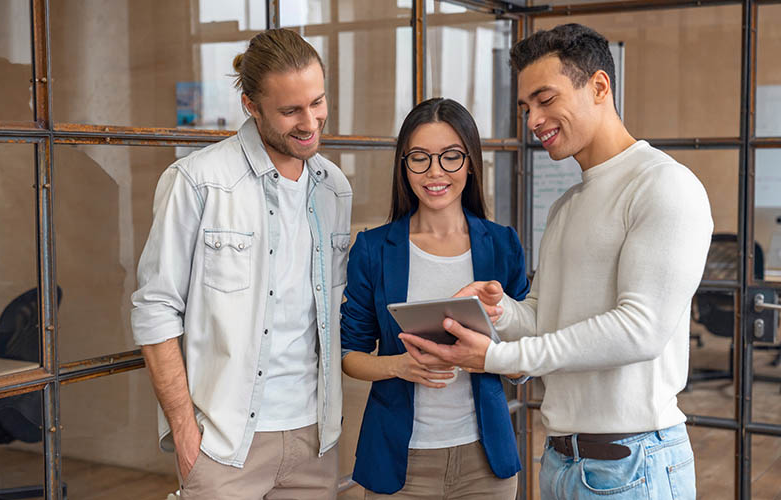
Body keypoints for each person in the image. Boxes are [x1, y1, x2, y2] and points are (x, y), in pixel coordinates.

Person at [399, 24, 712, 500]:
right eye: (525, 107)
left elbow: (640, 329)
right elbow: (545, 317)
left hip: (634, 464)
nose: (533, 120)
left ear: (600, 86)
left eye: (545, 99)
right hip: (562, 460)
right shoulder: (566, 205)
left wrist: (497, 356)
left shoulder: (664, 186)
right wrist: (503, 309)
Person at [131, 29, 352, 499]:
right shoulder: (198, 181)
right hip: (225, 446)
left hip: (315, 439)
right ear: (251, 106)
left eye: (318, 101)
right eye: (291, 110)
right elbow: (154, 309)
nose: (310, 122)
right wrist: (186, 435)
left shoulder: (334, 187)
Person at [341, 97, 529, 499]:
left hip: (485, 464)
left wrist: (497, 347)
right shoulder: (373, 250)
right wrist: (399, 366)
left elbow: (524, 359)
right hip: (400, 463)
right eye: (420, 158)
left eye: (451, 157)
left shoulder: (502, 245)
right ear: (403, 164)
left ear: (471, 162)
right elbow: (349, 356)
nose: (435, 172)